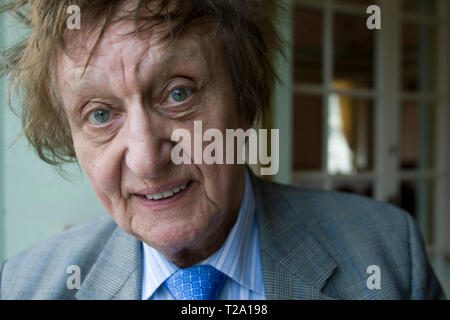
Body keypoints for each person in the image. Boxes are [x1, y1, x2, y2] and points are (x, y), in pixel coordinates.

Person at [0, 0, 445, 300]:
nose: (147, 159)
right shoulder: (22, 287)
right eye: (99, 115)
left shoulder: (387, 257)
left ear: (244, 99)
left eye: (178, 94)